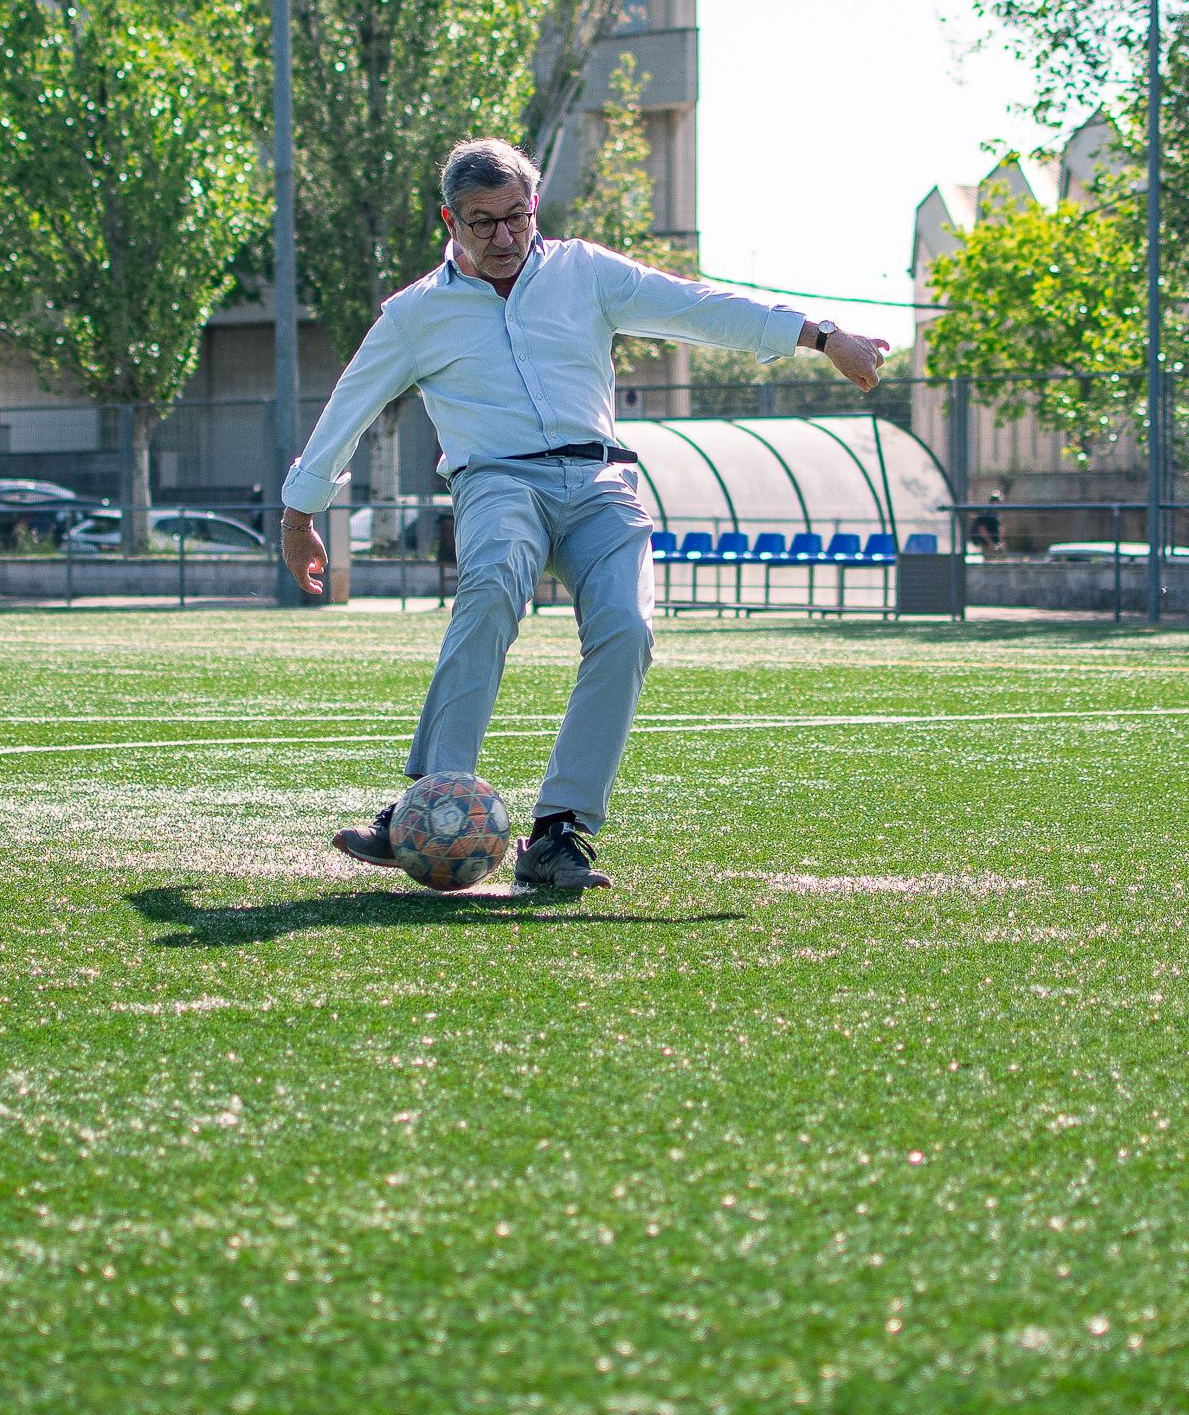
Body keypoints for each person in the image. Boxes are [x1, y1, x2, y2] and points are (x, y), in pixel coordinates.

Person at [279, 137, 891, 889]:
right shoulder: (414, 315)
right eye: (482, 222)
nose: (505, 237)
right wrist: (300, 516)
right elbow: (349, 406)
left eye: (517, 216)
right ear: (450, 220)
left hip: (602, 484)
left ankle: (559, 833)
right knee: (491, 585)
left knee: (628, 630)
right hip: (496, 481)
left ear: (535, 206)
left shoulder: (587, 273)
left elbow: (698, 307)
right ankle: (427, 801)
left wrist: (822, 337)